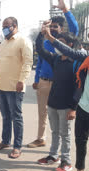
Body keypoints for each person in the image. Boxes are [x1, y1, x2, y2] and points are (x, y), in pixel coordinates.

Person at [28, 0, 79, 148]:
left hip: (60, 85)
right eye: (50, 27)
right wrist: (37, 79)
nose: (52, 29)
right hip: (44, 82)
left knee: (61, 118)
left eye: (55, 27)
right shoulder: (45, 43)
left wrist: (66, 11)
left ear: (61, 28)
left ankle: (62, 149)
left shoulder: (65, 43)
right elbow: (41, 62)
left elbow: (75, 28)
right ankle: (41, 138)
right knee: (43, 113)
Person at [44, 26, 89, 171]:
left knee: (67, 135)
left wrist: (51, 38)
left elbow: (70, 49)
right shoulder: (85, 57)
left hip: (75, 105)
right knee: (80, 141)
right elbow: (70, 52)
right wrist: (76, 106)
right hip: (83, 106)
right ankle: (79, 170)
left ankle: (68, 163)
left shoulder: (81, 55)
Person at [0, 17, 33, 159]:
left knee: (16, 117)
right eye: (3, 26)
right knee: (6, 116)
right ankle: (5, 141)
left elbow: (27, 62)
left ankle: (17, 147)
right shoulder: (3, 43)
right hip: (1, 86)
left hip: (15, 87)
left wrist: (21, 81)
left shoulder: (23, 41)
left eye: (7, 26)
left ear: (15, 26)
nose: (4, 28)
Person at [36, 23, 77, 171]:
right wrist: (41, 34)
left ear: (70, 45)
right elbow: (40, 50)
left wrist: (73, 108)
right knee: (54, 131)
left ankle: (66, 161)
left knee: (65, 134)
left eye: (61, 43)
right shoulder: (56, 59)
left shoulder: (75, 63)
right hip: (53, 102)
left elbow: (78, 87)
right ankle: (53, 156)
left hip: (66, 105)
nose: (57, 46)